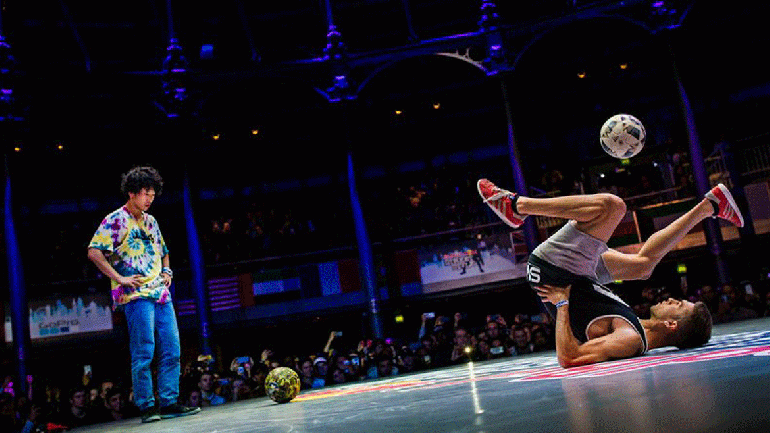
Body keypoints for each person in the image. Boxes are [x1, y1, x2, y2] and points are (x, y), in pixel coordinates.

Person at [478, 179, 744, 368]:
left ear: (671, 325)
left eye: (679, 305)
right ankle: (710, 206)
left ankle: (517, 207)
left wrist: (561, 305)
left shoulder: (630, 339)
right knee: (642, 266)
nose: (673, 299)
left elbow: (570, 358)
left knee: (612, 208)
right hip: (577, 275)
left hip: (556, 270)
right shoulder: (636, 327)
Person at [87, 166, 201, 422]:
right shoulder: (115, 220)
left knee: (172, 348)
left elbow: (164, 251)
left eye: (152, 194)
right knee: (144, 352)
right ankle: (147, 406)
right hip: (135, 295)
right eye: (145, 193)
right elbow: (94, 251)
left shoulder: (151, 221)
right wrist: (119, 278)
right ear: (131, 192)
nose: (150, 198)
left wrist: (168, 270)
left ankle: (170, 402)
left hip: (160, 293)